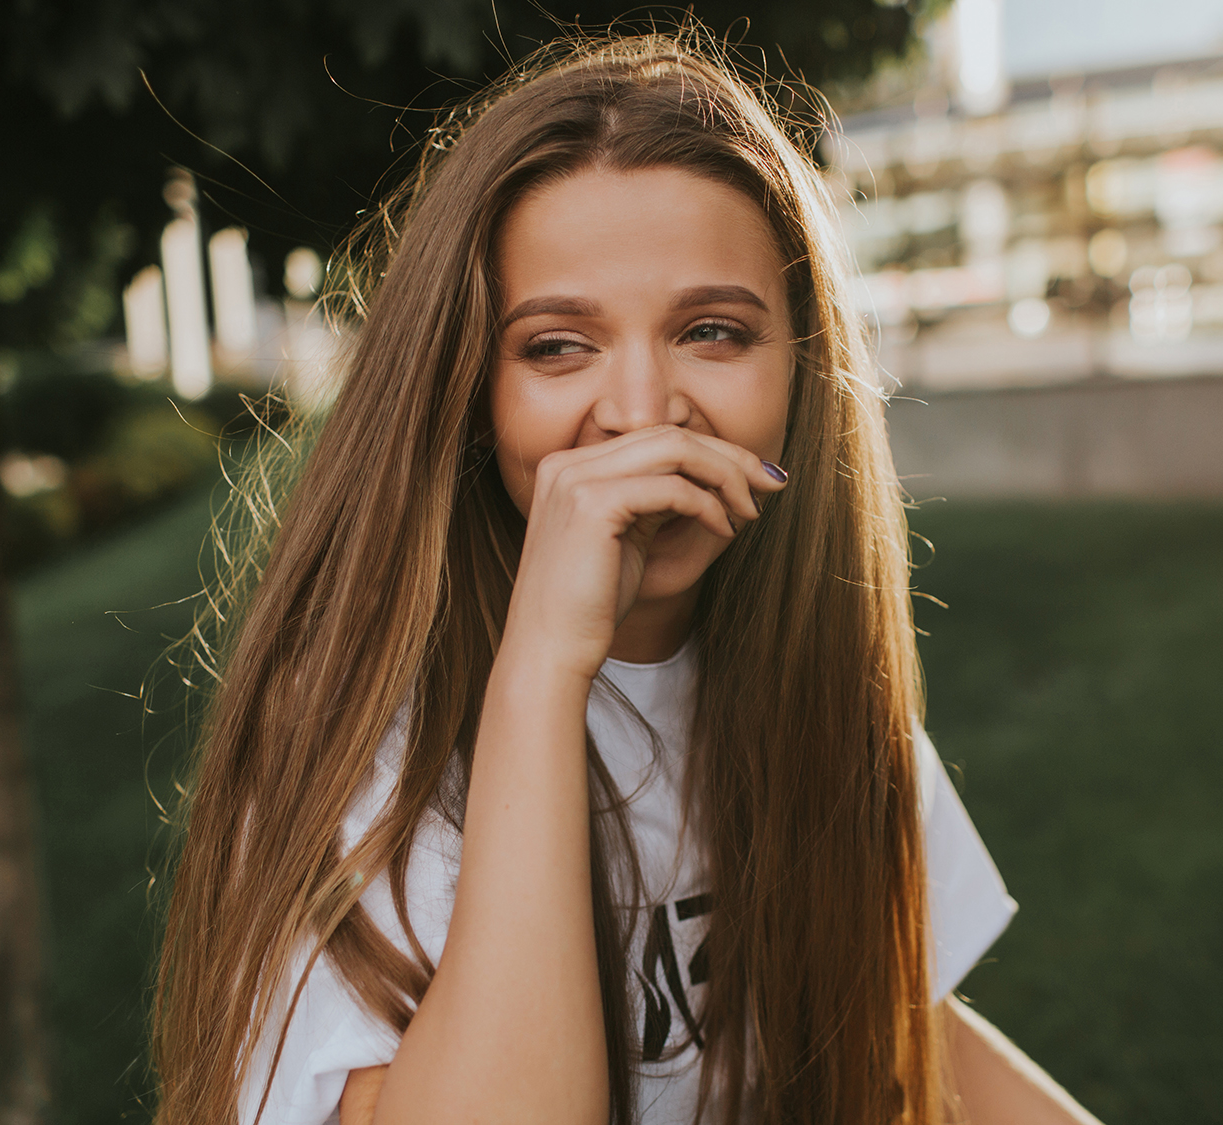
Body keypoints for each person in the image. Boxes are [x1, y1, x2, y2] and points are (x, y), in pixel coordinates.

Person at [153, 34, 1103, 1125]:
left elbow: (908, 1033)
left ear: (798, 376)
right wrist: (542, 672)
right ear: (466, 394)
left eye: (712, 332)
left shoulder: (813, 679)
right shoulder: (350, 736)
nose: (643, 410)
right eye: (557, 347)